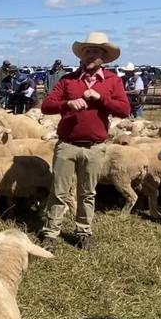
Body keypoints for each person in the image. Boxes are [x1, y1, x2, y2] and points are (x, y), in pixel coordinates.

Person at [39, 32, 130, 253]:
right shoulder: (68, 80)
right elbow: (46, 106)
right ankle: (50, 233)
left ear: (104, 57)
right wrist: (67, 103)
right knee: (59, 191)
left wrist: (101, 99)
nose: (91, 55)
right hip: (67, 145)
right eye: (88, 51)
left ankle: (83, 233)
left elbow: (125, 110)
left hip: (95, 147)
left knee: (88, 193)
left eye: (96, 52)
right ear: (82, 55)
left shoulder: (112, 81)